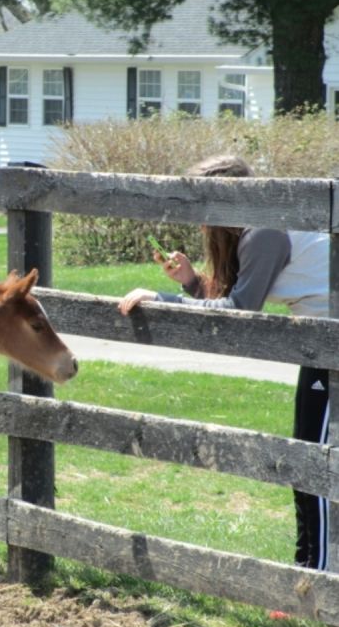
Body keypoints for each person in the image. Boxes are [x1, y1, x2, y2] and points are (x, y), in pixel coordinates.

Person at [118, 155, 330, 570]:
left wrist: (163, 301)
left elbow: (240, 310)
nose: (197, 215)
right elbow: (233, 300)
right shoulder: (256, 230)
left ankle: (318, 578)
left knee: (316, 466)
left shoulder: (264, 232)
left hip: (330, 346)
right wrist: (192, 283)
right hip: (320, 344)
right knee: (308, 459)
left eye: (201, 202)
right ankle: (310, 571)